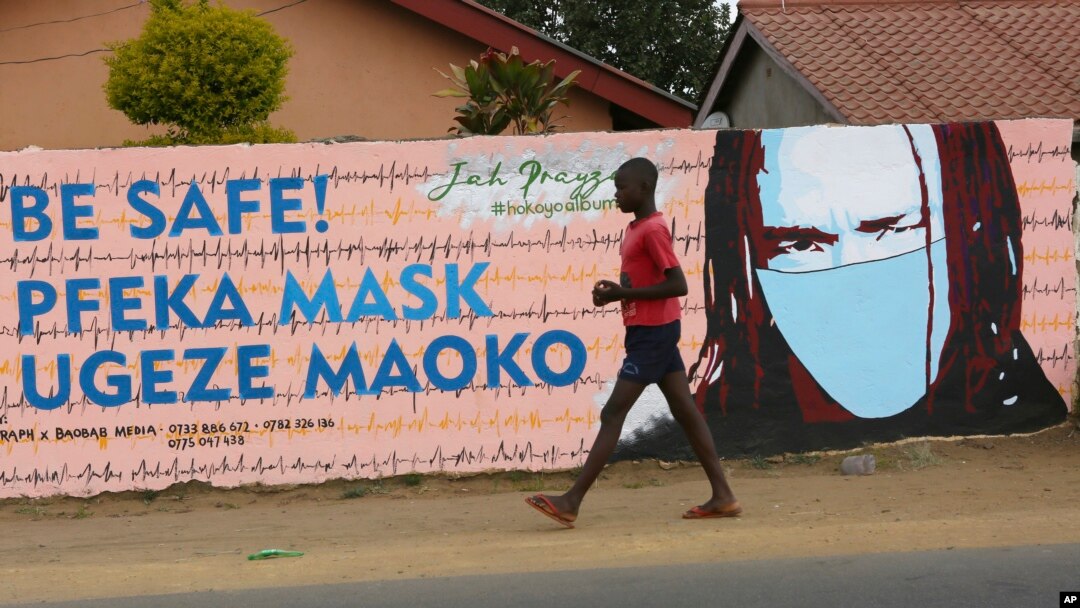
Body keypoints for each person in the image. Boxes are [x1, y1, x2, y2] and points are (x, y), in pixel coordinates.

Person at [614, 122, 1067, 461]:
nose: (853, 280)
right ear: (749, 264)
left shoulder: (1035, 408)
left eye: (894, 228)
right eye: (801, 243)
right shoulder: (702, 421)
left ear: (970, 231)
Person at [525, 157, 739, 528]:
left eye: (622, 187)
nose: (616, 193)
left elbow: (678, 285)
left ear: (645, 188)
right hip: (652, 332)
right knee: (686, 412)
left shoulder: (654, 230)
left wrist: (623, 291)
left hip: (653, 336)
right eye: (615, 187)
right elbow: (644, 282)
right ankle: (723, 495)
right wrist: (617, 293)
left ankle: (571, 501)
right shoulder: (636, 228)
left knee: (612, 413)